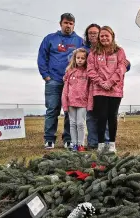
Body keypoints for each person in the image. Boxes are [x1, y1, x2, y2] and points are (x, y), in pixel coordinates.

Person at [37, 13, 84, 149]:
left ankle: (68, 139)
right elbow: (42, 57)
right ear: (60, 24)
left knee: (70, 111)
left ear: (74, 25)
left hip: (73, 83)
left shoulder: (79, 41)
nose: (68, 25)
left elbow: (88, 56)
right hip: (54, 81)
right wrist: (46, 76)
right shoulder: (50, 39)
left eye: (71, 23)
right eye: (66, 23)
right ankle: (49, 139)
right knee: (52, 110)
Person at [83, 23, 131, 150]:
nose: (104, 38)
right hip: (99, 90)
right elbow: (90, 70)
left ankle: (112, 144)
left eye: (106, 36)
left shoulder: (119, 51)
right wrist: (101, 82)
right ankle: (100, 144)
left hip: (115, 89)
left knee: (112, 117)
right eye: (101, 36)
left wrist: (110, 82)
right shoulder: (94, 53)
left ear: (112, 36)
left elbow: (122, 67)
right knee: (101, 117)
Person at [61, 48, 90, 152]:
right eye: (78, 58)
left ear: (86, 59)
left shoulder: (88, 73)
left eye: (83, 58)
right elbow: (65, 90)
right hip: (71, 103)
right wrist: (65, 104)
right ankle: (74, 144)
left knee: (81, 124)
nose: (80, 60)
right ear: (74, 59)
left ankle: (81, 144)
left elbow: (90, 89)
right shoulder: (69, 72)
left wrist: (89, 103)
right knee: (72, 124)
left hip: (83, 102)